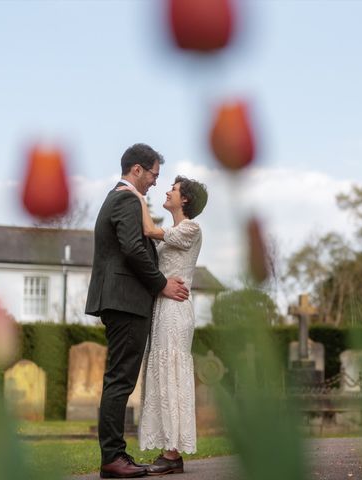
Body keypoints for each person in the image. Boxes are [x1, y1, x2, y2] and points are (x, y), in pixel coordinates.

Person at [85, 143, 189, 479]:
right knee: (119, 380)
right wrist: (161, 284)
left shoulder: (124, 198)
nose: (156, 183)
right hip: (125, 301)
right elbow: (131, 248)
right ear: (137, 170)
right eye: (154, 175)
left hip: (122, 299)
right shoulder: (127, 199)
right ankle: (113, 458)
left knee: (119, 379)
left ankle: (116, 455)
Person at [117, 175, 207, 476]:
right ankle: (169, 450)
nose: (167, 190)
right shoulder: (176, 229)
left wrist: (138, 197)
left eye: (174, 189)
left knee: (172, 372)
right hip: (162, 307)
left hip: (176, 309)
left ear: (185, 200)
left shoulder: (191, 228)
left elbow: (149, 229)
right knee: (160, 373)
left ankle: (172, 453)